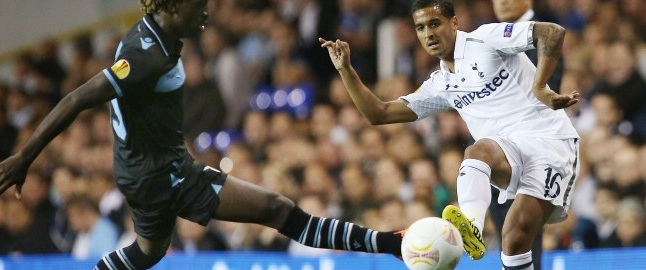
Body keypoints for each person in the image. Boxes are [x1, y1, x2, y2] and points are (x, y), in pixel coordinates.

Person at [0, 1, 405, 269]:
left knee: (148, 251)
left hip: (140, 172)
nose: (207, 13)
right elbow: (75, 98)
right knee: (279, 210)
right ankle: (390, 244)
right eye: (199, 6)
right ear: (174, 8)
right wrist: (25, 157)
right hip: (164, 175)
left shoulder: (156, 32)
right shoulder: (147, 57)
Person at [320, 0, 580, 269]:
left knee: (515, 236)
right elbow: (380, 114)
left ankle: (472, 227)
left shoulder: (485, 39)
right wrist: (346, 70)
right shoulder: (441, 84)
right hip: (507, 151)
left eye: (435, 23)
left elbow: (552, 32)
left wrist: (540, 86)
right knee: (477, 153)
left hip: (550, 142)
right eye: (420, 28)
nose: (428, 33)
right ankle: (472, 230)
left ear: (454, 23)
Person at [490, 0, 564, 268]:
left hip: (529, 151)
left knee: (523, 236)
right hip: (499, 150)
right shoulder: (490, 39)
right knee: (508, 237)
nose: (502, 2)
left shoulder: (544, 34)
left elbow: (546, 92)